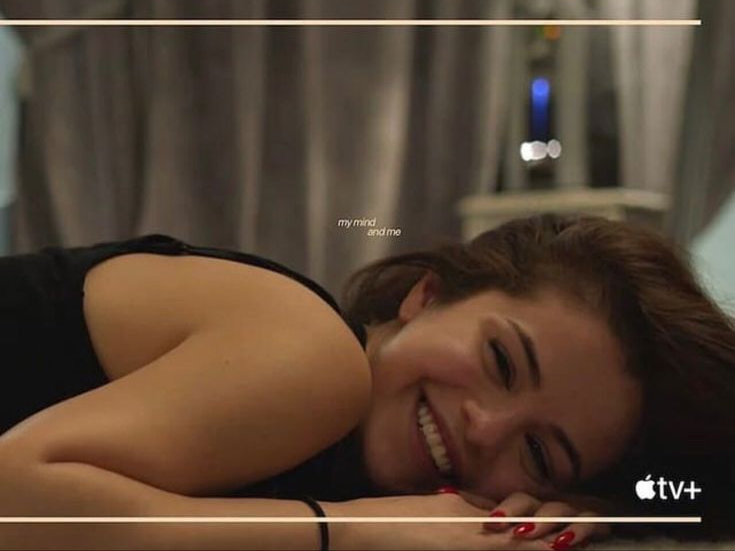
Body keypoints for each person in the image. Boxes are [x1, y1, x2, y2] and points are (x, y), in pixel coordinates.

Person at [0, 213, 733, 550]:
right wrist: (345, 527)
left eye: (539, 452)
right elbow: (14, 502)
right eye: (502, 361)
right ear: (424, 295)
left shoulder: (351, 473)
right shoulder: (315, 355)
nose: (484, 426)